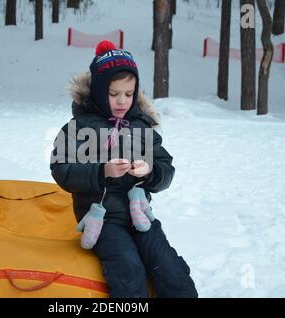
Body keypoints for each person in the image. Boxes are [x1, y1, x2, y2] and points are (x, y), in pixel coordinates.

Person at [50, 41, 198, 298]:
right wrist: (100, 172)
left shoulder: (142, 126)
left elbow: (166, 169)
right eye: (114, 93)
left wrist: (149, 171)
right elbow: (60, 168)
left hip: (140, 216)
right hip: (103, 219)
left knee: (169, 267)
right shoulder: (78, 128)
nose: (122, 101)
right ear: (98, 91)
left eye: (129, 94)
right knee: (128, 269)